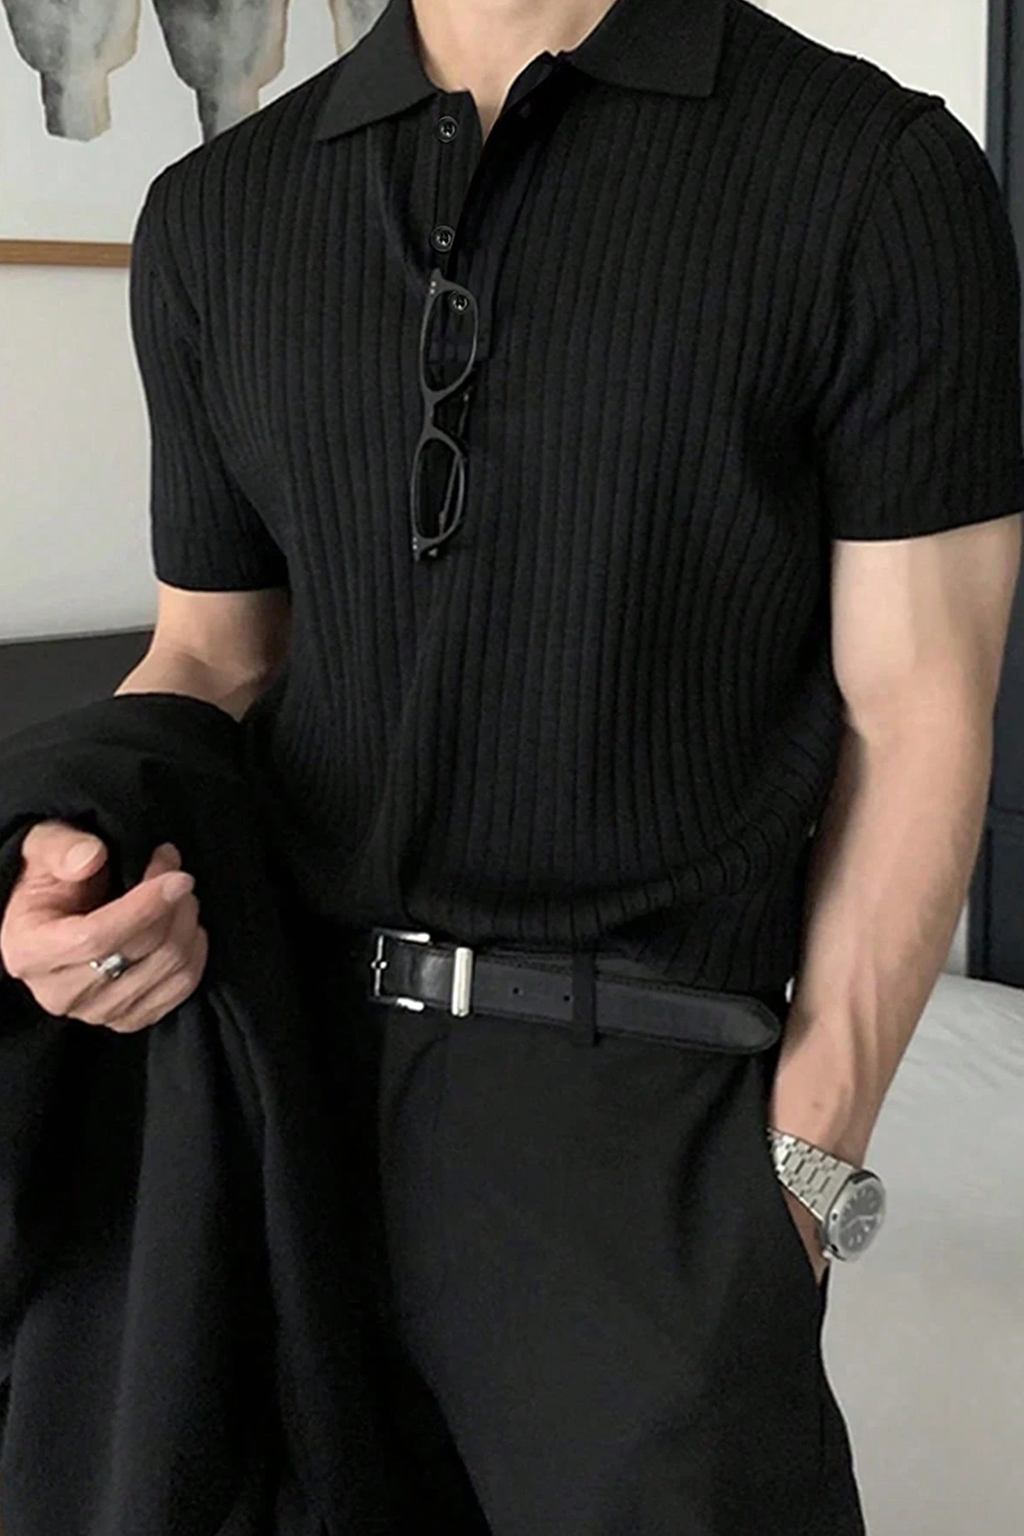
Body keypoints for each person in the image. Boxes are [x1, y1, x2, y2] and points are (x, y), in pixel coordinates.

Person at [3, 0, 1023, 1530]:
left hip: (644, 1125)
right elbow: (211, 658)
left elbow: (921, 709)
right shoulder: (215, 214)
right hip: (279, 1098)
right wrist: (72, 864)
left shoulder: (872, 175)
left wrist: (803, 1175)